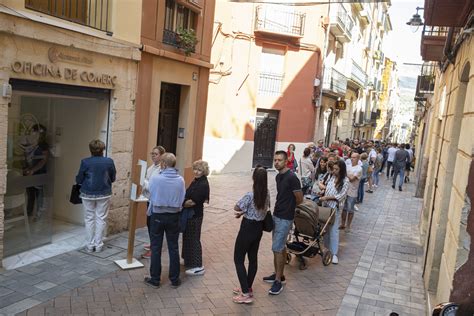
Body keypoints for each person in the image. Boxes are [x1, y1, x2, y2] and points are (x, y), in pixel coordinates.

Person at [263, 151, 303, 295]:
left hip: (285, 218)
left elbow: (300, 198)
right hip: (277, 214)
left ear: (286, 161)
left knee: (277, 248)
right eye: (275, 160)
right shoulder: (278, 176)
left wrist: (289, 209)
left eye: (279, 160)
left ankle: (278, 281)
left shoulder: (292, 177)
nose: (276, 162)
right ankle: (279, 274)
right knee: (280, 247)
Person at [144, 153, 186, 289]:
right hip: (173, 215)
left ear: (163, 164)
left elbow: (150, 193)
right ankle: (174, 278)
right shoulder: (180, 180)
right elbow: (182, 198)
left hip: (158, 214)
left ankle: (155, 278)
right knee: (173, 247)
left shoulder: (156, 179)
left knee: (156, 247)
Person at [232, 166, 270, 304]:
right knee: (253, 258)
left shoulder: (250, 195)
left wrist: (243, 211)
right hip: (258, 229)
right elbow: (263, 210)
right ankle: (247, 286)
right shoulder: (267, 194)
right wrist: (245, 212)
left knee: (238, 259)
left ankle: (245, 293)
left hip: (247, 228)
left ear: (254, 178)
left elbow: (236, 207)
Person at [75, 139, 116, 253]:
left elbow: (79, 179)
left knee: (89, 219)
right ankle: (98, 245)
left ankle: (89, 244)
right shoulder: (109, 161)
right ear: (103, 150)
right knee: (101, 218)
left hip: (87, 193)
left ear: (90, 150)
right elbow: (113, 178)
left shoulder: (85, 162)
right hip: (104, 193)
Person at [182, 160, 210, 276]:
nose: (196, 172)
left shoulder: (203, 184)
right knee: (187, 237)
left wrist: (182, 203)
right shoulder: (196, 181)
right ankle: (189, 260)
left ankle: (198, 265)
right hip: (190, 214)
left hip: (195, 214)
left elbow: (192, 202)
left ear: (204, 171)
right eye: (195, 169)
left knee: (194, 239)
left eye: (199, 170)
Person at [319, 160, 349, 264]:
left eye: (337, 169)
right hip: (326, 206)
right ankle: (327, 249)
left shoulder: (345, 181)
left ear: (342, 169)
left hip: (334, 208)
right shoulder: (331, 177)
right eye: (334, 169)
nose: (334, 171)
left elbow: (341, 196)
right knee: (325, 229)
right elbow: (327, 188)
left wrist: (327, 197)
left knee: (334, 230)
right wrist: (323, 193)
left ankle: (334, 253)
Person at [141, 146, 166, 259]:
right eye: (152, 153)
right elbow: (147, 179)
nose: (153, 155)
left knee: (154, 225)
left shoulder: (162, 169)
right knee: (149, 223)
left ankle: (154, 249)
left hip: (156, 201)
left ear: (161, 156)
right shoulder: (151, 167)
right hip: (149, 199)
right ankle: (152, 244)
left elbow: (154, 185)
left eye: (155, 154)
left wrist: (145, 183)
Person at [24, 124, 49, 221]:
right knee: (30, 193)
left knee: (39, 194)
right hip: (28, 172)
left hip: (39, 173)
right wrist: (26, 168)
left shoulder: (43, 145)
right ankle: (28, 213)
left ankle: (39, 214)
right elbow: (25, 156)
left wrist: (33, 170)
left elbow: (44, 160)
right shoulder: (29, 143)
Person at [340, 153, 361, 231]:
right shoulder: (348, 166)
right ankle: (342, 224)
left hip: (352, 191)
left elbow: (352, 179)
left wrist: (345, 173)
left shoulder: (359, 168)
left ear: (358, 158)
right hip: (345, 190)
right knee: (344, 208)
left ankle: (348, 225)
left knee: (350, 209)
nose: (352, 159)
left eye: (354, 157)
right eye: (351, 157)